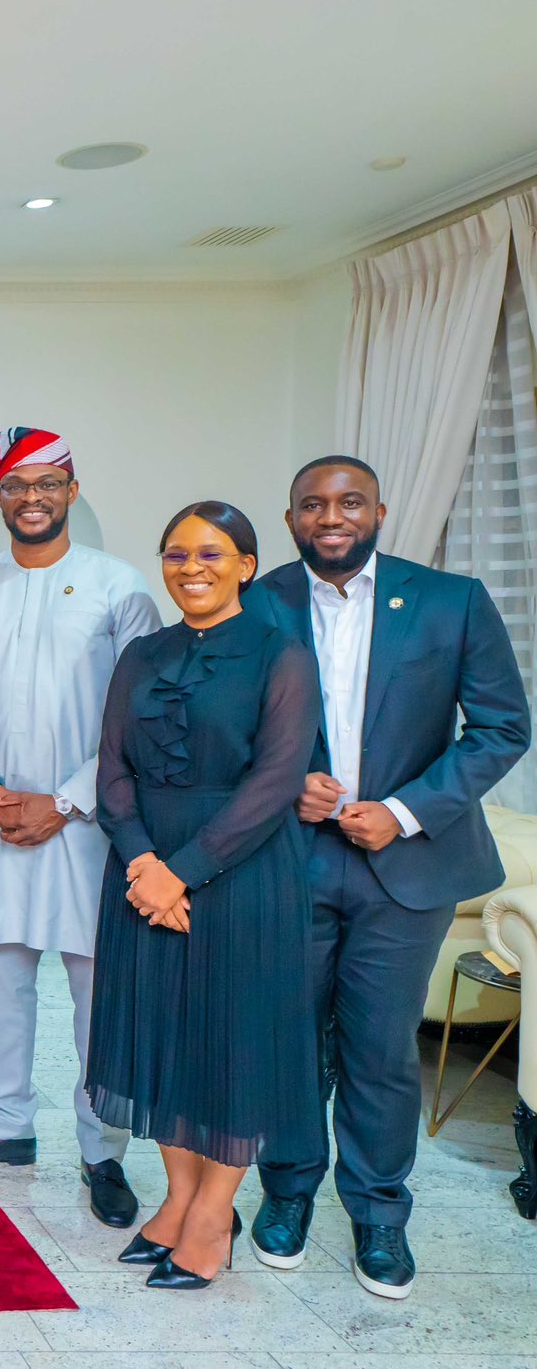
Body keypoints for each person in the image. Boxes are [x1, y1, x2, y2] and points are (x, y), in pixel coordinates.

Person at [247, 456, 530, 1300]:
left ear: (378, 509)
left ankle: (378, 1214)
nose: (331, 517)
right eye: (313, 505)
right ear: (292, 516)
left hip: (408, 863)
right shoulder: (257, 603)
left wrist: (405, 810)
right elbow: (222, 727)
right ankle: (288, 1194)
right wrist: (284, 779)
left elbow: (501, 727)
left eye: (349, 502)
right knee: (289, 1042)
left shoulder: (452, 599)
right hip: (288, 860)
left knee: (379, 1048)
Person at [0, 428, 159, 1229]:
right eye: (16, 484)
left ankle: (103, 1151)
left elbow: (138, 714)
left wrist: (62, 799)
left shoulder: (119, 588)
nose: (32, 497)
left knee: (99, 994)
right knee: (3, 980)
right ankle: (8, 1126)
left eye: (46, 483)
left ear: (71, 489)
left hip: (91, 821)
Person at [87, 501, 320, 1290]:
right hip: (144, 867)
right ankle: (178, 1199)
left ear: (247, 566)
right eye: (178, 553)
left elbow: (278, 781)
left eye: (213, 553)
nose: (193, 567)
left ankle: (216, 1214)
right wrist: (142, 860)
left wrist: (179, 871)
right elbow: (111, 769)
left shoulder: (279, 655)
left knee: (230, 1046)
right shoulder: (142, 654)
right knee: (163, 1041)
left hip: (240, 872)